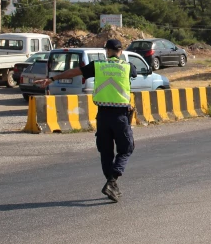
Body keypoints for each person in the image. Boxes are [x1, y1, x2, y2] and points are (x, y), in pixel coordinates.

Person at [36, 39, 136, 202]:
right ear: (121, 51)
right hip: (120, 116)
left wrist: (52, 79)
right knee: (126, 149)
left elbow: (74, 72)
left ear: (107, 51)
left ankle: (112, 184)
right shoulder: (128, 66)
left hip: (103, 115)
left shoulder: (98, 65)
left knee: (106, 151)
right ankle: (112, 181)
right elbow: (134, 74)